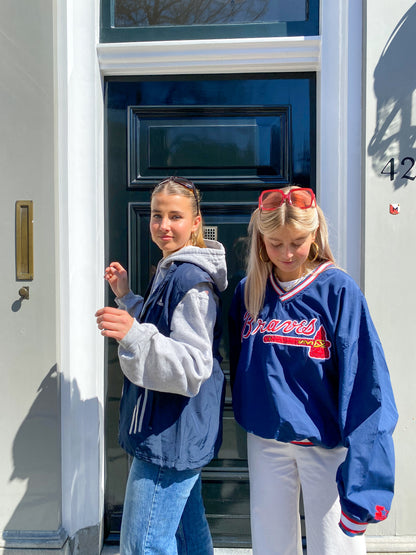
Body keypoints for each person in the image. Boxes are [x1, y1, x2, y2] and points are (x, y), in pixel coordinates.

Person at [229, 186, 398, 555]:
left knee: (336, 548)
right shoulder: (249, 292)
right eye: (275, 243)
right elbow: (239, 365)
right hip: (267, 442)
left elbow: (367, 382)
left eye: (297, 242)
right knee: (271, 547)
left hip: (326, 446)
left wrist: (365, 483)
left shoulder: (338, 290)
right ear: (260, 240)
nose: (287, 254)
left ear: (315, 233)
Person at [95, 177, 227, 554]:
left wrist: (132, 334)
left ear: (196, 222)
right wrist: (128, 298)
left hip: (169, 435)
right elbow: (161, 330)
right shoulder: (171, 269)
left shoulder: (190, 281)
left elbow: (192, 366)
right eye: (156, 215)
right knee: (188, 534)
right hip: (175, 428)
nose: (163, 225)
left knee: (144, 545)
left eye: (175, 216)